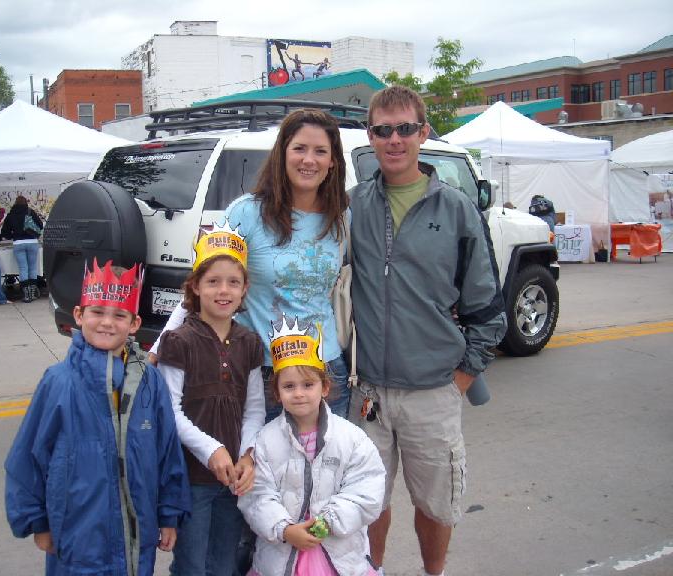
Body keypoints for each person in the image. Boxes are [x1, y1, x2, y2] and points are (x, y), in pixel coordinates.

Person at [347, 85, 507, 576]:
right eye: (383, 130)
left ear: (423, 132)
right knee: (367, 501)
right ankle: (371, 569)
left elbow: (488, 307)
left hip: (433, 390)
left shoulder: (457, 208)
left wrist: (460, 377)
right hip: (368, 389)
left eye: (405, 129)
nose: (394, 140)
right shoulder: (353, 206)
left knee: (436, 505)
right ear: (370, 136)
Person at [150, 108, 352, 422]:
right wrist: (161, 344)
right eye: (299, 148)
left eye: (320, 151)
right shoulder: (246, 213)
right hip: (262, 373)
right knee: (260, 469)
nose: (308, 160)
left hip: (325, 372)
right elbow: (205, 283)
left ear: (333, 161)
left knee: (326, 468)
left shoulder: (341, 218)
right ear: (282, 154)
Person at [4, 258, 191, 576]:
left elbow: (166, 452)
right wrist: (37, 521)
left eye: (119, 315)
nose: (107, 322)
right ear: (79, 315)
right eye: (97, 312)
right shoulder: (59, 381)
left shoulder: (150, 381)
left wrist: (169, 514)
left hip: (136, 540)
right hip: (77, 541)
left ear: (134, 323)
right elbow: (28, 456)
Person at [155, 223, 266, 576]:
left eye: (233, 282)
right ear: (196, 286)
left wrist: (247, 455)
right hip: (191, 477)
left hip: (233, 477)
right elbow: (168, 409)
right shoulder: (179, 341)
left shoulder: (249, 343)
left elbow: (254, 409)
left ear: (245, 288)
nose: (223, 290)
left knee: (224, 562)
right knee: (191, 564)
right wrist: (211, 449)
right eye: (213, 281)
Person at [238, 315, 385, 576]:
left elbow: (367, 488)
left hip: (338, 557)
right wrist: (284, 528)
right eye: (289, 386)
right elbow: (256, 496)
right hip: (281, 556)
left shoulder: (351, 439)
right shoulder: (265, 441)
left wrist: (326, 524)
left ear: (325, 387)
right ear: (277, 393)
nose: (299, 393)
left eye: (308, 385)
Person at [1, 195, 44, 303]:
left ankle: (26, 294)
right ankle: (33, 292)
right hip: (32, 242)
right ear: (26, 203)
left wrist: (13, 235)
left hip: (18, 243)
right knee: (33, 267)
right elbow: (40, 225)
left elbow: (4, 232)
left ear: (15, 203)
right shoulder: (30, 212)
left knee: (23, 268)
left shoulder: (11, 215)